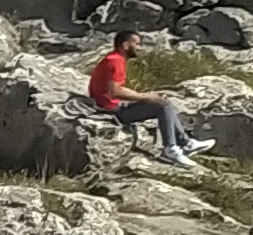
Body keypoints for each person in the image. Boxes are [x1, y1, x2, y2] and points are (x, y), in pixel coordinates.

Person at [88, 29, 209, 168]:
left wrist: (145, 96)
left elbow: (117, 88)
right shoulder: (114, 61)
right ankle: (171, 148)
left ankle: (185, 143)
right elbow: (114, 92)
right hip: (112, 112)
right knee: (162, 106)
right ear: (126, 45)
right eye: (136, 44)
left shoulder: (114, 59)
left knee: (163, 102)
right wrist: (145, 97)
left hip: (112, 106)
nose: (139, 48)